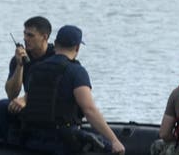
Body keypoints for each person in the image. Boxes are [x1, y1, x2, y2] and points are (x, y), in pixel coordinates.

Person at [14, 24, 126, 155]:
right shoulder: (76, 71)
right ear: (77, 48)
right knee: (109, 148)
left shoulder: (35, 69)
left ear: (55, 44)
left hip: (33, 139)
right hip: (63, 141)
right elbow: (89, 110)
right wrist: (114, 141)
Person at [0, 16, 55, 141]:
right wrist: (20, 66)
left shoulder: (55, 58)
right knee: (0, 107)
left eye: (30, 35)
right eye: (24, 34)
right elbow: (11, 94)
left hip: (50, 107)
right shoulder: (19, 58)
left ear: (44, 37)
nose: (25, 38)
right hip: (28, 106)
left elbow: (52, 88)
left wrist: (28, 99)